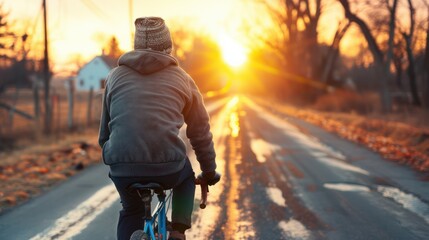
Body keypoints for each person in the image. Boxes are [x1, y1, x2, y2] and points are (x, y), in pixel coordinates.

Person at [98, 17, 220, 240]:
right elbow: (199, 131)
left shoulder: (114, 77)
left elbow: (104, 134)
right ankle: (178, 232)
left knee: (131, 210)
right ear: (168, 46)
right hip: (168, 167)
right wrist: (209, 172)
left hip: (122, 166)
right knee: (186, 177)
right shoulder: (183, 78)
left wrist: (116, 155)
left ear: (135, 46)